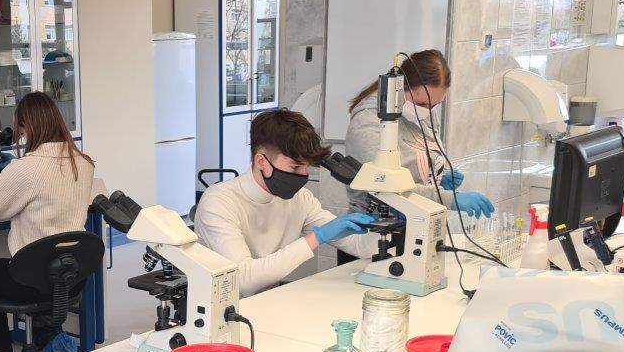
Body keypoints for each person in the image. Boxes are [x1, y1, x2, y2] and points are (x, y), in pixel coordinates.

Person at [0, 92, 96, 352]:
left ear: (26, 126)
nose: (19, 136)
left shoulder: (25, 168)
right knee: (41, 268)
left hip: (31, 281)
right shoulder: (83, 162)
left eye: (20, 129)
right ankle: (51, 338)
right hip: (72, 277)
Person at [194, 109, 380, 298]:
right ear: (261, 161)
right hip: (219, 307)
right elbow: (244, 281)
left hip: (266, 300)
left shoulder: (301, 199)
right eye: (295, 167)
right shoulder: (218, 202)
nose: (303, 176)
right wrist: (316, 238)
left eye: (306, 167)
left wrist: (388, 222)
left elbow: (359, 246)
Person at [342, 49, 495, 262]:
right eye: (423, 104)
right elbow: (384, 187)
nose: (428, 110)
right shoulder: (368, 123)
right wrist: (449, 199)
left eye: (435, 105)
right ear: (401, 87)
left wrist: (439, 175)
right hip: (373, 236)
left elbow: (420, 156)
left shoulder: (420, 111)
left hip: (417, 226)